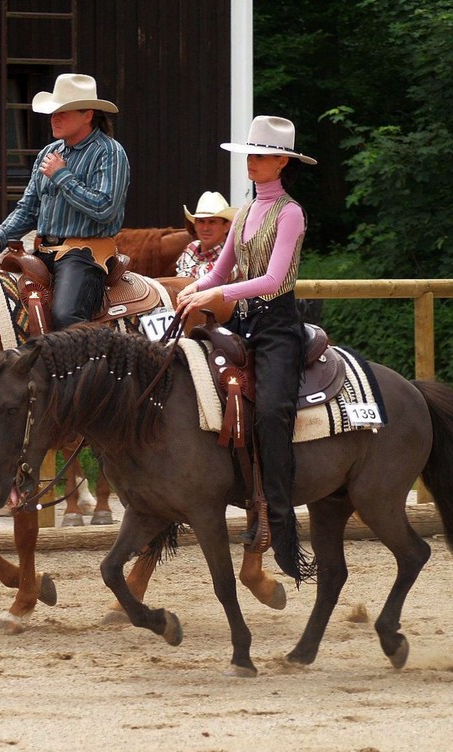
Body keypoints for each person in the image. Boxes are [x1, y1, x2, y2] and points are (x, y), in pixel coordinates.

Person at [175, 116, 318, 583]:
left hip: (277, 325)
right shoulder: (245, 212)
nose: (251, 164)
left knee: (273, 411)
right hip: (244, 319)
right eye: (248, 156)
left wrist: (218, 296)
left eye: (259, 156)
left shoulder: (290, 212)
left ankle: (277, 517)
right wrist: (190, 289)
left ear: (282, 161)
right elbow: (218, 274)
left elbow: (275, 280)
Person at [0, 73, 130, 329]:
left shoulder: (109, 152)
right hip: (42, 251)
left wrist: (61, 176)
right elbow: (28, 209)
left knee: (66, 318)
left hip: (84, 254)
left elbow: (105, 209)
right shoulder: (48, 153)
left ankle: (85, 367)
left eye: (64, 112)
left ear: (87, 114)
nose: (55, 119)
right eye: (53, 112)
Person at [175, 191, 239, 281]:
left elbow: (212, 279)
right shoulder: (191, 248)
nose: (205, 228)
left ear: (226, 226)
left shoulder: (234, 255)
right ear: (195, 225)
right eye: (201, 221)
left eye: (212, 222)